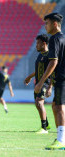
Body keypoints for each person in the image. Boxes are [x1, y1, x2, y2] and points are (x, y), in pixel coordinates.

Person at [35, 13, 65, 150]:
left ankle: (61, 140)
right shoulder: (63, 38)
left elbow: (53, 62)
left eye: (46, 23)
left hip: (61, 78)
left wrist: (41, 82)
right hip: (61, 78)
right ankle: (61, 137)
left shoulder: (54, 39)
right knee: (55, 106)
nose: (44, 26)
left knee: (58, 108)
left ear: (54, 24)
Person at [24, 34, 52, 134]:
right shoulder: (40, 54)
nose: (36, 45)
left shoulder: (50, 55)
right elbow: (38, 70)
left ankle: (44, 128)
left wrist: (50, 87)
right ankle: (47, 124)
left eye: (37, 43)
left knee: (39, 102)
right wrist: (29, 77)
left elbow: (52, 71)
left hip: (45, 83)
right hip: (38, 83)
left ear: (43, 43)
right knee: (37, 104)